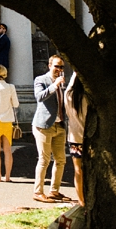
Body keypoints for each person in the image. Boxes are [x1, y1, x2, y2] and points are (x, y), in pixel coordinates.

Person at [32, 54, 70, 202]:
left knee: (61, 160)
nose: (59, 69)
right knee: (44, 160)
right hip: (44, 125)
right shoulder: (41, 80)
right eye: (56, 66)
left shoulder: (63, 83)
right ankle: (38, 191)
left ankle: (54, 190)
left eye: (61, 67)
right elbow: (39, 97)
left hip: (59, 125)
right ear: (50, 66)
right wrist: (54, 86)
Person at [64, 71, 88, 205]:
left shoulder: (68, 95)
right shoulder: (88, 98)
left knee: (78, 170)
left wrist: (75, 71)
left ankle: (81, 200)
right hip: (89, 138)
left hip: (74, 137)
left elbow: (70, 85)